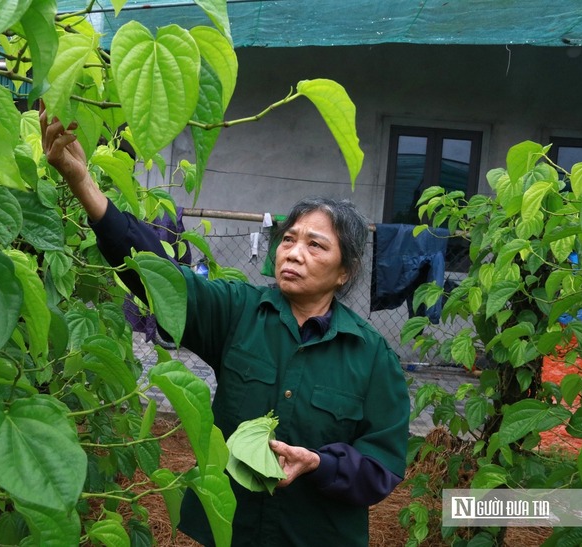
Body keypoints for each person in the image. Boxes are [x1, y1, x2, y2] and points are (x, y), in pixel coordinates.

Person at [41, 105, 410, 547]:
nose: (294, 252)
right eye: (289, 239)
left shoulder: (371, 356)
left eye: (316, 245)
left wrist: (320, 464)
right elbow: (161, 278)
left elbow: (382, 466)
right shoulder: (238, 312)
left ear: (344, 271)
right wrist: (83, 185)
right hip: (233, 533)